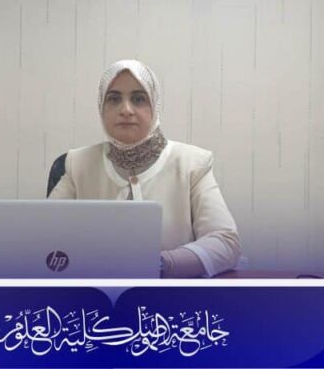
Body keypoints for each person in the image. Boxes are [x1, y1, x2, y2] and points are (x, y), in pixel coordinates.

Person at [49, 59, 242, 277]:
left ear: (155, 106)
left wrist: (161, 264)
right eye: (114, 99)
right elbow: (43, 237)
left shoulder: (192, 163)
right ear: (101, 108)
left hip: (167, 293)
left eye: (138, 99)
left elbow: (226, 242)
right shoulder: (77, 163)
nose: (126, 110)